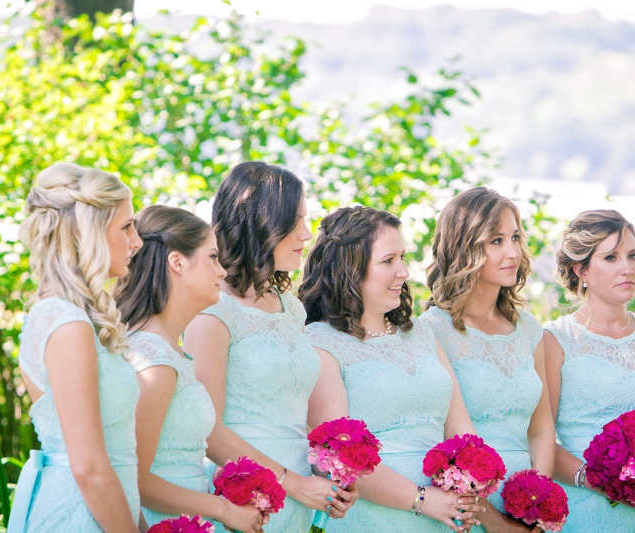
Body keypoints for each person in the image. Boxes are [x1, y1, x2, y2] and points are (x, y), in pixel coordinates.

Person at [183, 162, 356, 532]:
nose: (306, 234)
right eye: (295, 221)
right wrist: (293, 484)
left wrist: (329, 473)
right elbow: (206, 430)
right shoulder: (213, 311)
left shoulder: (290, 307)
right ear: (260, 222)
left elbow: (295, 406)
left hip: (299, 494)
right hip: (244, 495)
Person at [299, 206, 484, 533]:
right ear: (349, 268)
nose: (403, 271)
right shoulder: (320, 342)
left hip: (443, 516)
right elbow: (339, 457)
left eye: (403, 258)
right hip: (372, 517)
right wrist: (421, 499)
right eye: (388, 261)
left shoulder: (422, 333)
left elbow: (459, 425)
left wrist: (468, 486)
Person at [8, 162, 143, 532]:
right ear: (89, 233)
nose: (136, 241)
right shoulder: (67, 325)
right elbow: (89, 468)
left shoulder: (71, 318)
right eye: (126, 227)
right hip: (80, 515)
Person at [115, 205, 265, 532]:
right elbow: (131, 478)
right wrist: (225, 510)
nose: (222, 272)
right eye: (212, 257)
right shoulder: (154, 361)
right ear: (177, 262)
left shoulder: (170, 351)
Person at [543, 209, 635, 532]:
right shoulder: (554, 341)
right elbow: (539, 440)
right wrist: (599, 481)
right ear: (580, 269)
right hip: (586, 514)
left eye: (633, 256)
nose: (627, 268)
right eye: (611, 258)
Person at [421, 187, 555, 533]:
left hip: (524, 512)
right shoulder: (431, 330)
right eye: (496, 241)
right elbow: (437, 437)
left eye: (515, 238)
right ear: (464, 246)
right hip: (464, 511)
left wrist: (537, 507)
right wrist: (492, 520)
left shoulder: (529, 329)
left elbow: (541, 429)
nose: (512, 252)